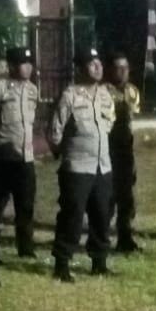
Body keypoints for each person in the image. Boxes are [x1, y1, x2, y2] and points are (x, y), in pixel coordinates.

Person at [48, 47, 116, 281]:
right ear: (79, 68)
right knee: (72, 215)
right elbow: (55, 131)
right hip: (77, 167)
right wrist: (65, 153)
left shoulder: (105, 95)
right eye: (91, 63)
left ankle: (99, 261)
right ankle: (62, 263)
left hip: (102, 166)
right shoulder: (70, 96)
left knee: (102, 214)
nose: (97, 67)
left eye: (99, 63)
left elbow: (109, 123)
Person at [0, 46, 41, 261]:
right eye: (22, 63)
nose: (27, 67)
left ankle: (25, 247)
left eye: (29, 63)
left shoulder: (32, 90)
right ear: (11, 66)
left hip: (25, 158)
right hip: (2, 158)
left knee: (25, 206)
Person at [105, 52, 143, 253]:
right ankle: (101, 237)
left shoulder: (132, 91)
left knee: (127, 196)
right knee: (107, 196)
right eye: (118, 68)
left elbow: (133, 116)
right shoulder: (103, 91)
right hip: (107, 148)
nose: (122, 72)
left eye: (125, 68)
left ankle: (125, 237)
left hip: (125, 149)